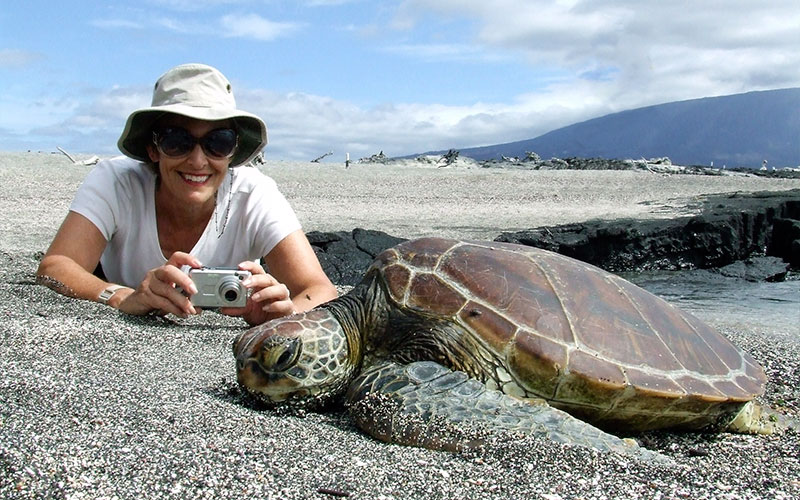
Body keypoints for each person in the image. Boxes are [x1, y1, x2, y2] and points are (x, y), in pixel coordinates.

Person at [37, 63, 338, 325]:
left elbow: (319, 290)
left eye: (217, 142)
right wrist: (123, 297)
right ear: (153, 148)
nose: (198, 161)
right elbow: (56, 266)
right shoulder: (117, 182)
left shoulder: (253, 194)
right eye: (177, 141)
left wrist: (283, 316)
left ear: (232, 152)